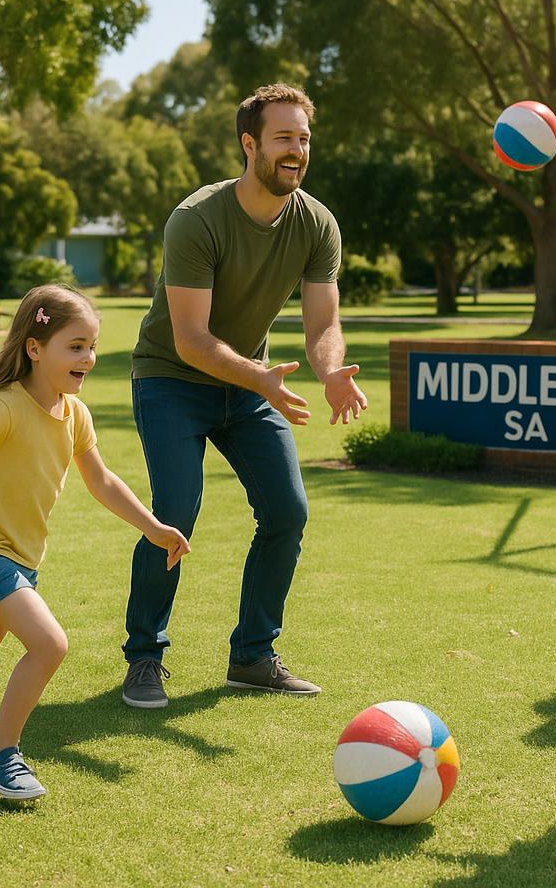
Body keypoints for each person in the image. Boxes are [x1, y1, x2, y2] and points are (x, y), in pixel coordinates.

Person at [121, 82, 367, 709]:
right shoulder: (197, 219)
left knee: (287, 513)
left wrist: (332, 369)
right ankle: (144, 658)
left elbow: (323, 326)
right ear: (249, 143)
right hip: (173, 378)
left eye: (304, 139)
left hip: (249, 384)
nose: (297, 151)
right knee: (174, 515)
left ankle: (253, 656)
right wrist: (259, 376)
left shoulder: (317, 224)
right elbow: (192, 339)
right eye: (284, 138)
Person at [0, 285, 189, 800]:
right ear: (35, 348)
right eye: (75, 346)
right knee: (49, 644)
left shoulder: (75, 414)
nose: (89, 358)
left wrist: (151, 525)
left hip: (19, 556)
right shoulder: (5, 408)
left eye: (92, 346)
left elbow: (101, 481)